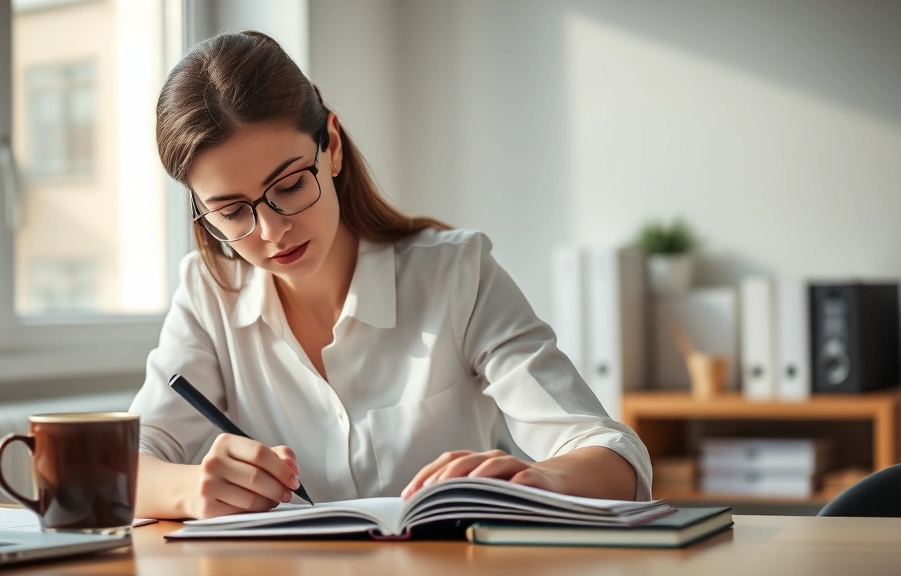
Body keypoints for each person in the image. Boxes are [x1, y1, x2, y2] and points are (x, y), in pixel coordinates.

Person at [131, 31, 652, 521]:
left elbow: (612, 453)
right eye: (231, 211)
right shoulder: (207, 292)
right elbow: (124, 466)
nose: (271, 231)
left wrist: (545, 480)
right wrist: (191, 487)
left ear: (331, 146)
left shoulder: (455, 273)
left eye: (289, 186)